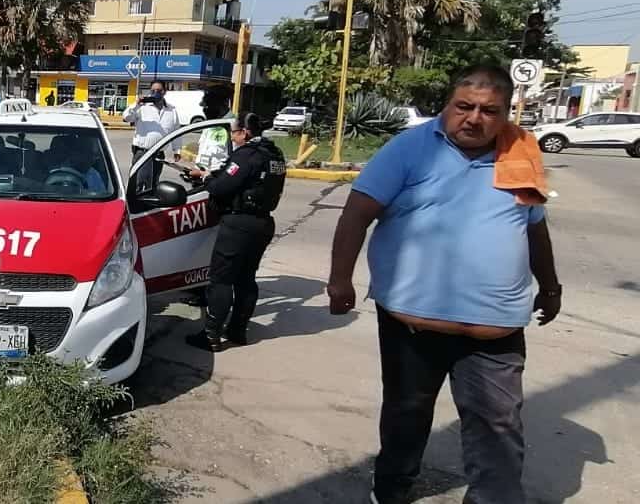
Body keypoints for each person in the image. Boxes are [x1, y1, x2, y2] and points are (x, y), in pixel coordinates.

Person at [327, 65, 561, 504]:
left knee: (500, 424)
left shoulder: (520, 152)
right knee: (406, 415)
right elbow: (357, 213)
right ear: (447, 106)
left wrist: (550, 286)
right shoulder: (411, 148)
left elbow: (534, 227)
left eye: (489, 111)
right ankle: (391, 490)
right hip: (412, 326)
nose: (474, 118)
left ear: (507, 114)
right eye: (464, 106)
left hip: (497, 329)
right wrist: (340, 281)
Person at [185, 112, 286, 351]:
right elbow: (247, 180)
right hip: (262, 224)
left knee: (221, 280)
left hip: (238, 225)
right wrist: (211, 174)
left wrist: (206, 180)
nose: (232, 136)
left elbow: (222, 187)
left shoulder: (246, 155)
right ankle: (238, 331)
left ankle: (211, 335)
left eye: (234, 132)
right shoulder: (274, 154)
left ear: (244, 132)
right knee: (246, 279)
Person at [123, 81, 180, 189]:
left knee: (153, 184)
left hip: (159, 155)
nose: (155, 93)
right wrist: (136, 104)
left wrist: (176, 150)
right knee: (137, 184)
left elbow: (176, 130)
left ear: (164, 91)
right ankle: (134, 205)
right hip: (143, 153)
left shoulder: (171, 110)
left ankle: (149, 205)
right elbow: (126, 117)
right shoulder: (142, 107)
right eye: (153, 91)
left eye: (159, 90)